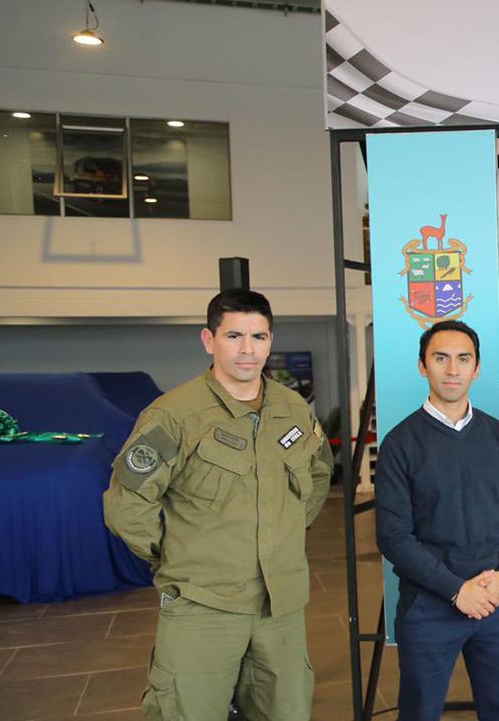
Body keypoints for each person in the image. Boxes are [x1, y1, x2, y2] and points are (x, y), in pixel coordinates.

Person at [102, 289, 334, 720]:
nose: (248, 350)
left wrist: (283, 533)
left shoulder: (293, 409)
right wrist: (176, 557)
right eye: (234, 336)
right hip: (203, 605)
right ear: (208, 340)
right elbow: (127, 503)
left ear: (270, 340)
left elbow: (319, 474)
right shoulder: (174, 415)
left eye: (259, 337)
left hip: (280, 607)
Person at [375, 320, 499, 720]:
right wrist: (456, 590)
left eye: (463, 359)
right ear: (422, 366)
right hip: (429, 607)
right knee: (420, 713)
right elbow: (393, 536)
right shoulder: (400, 443)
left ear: (476, 369)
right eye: (440, 358)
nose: (452, 370)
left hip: (496, 599)